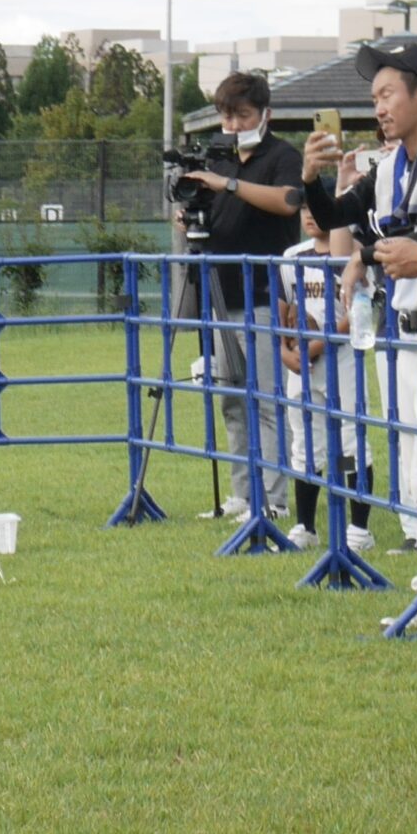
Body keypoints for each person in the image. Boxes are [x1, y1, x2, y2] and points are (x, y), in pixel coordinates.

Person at [302, 39, 417, 589]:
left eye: (388, 94)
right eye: (374, 97)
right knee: (414, 467)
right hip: (403, 338)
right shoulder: (388, 167)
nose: (379, 107)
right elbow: (336, 214)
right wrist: (311, 178)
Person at [181, 73, 303, 520]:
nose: (232, 124)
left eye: (242, 114)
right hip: (219, 292)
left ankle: (273, 498)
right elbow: (214, 218)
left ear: (264, 115)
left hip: (266, 293)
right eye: (227, 115)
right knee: (231, 398)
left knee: (268, 400)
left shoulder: (281, 156)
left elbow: (289, 201)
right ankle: (241, 493)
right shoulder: (221, 158)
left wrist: (226, 185)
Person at [275, 214, 370, 549]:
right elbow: (282, 305)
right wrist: (284, 348)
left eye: (318, 208)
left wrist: (316, 344)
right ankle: (306, 527)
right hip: (300, 361)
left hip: (340, 357)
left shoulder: (354, 253)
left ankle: (359, 529)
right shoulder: (292, 256)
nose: (310, 216)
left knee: (350, 441)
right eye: (304, 209)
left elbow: (359, 310)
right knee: (305, 443)